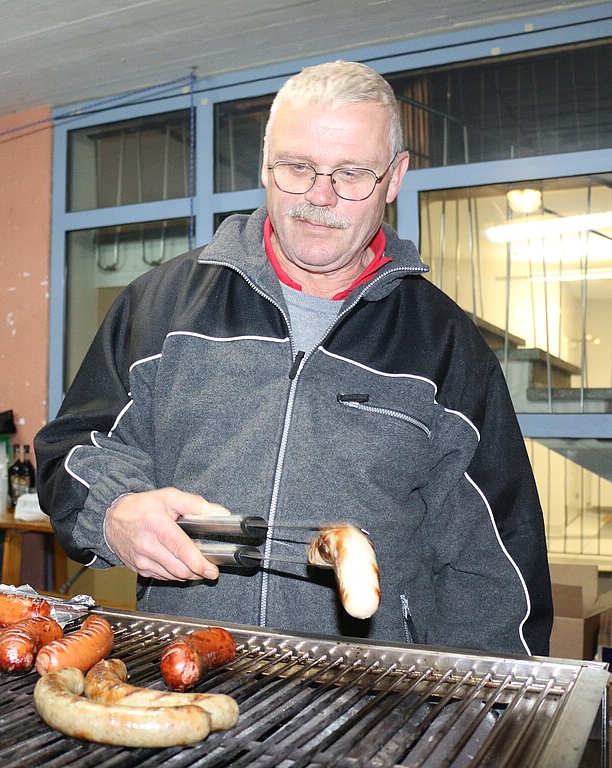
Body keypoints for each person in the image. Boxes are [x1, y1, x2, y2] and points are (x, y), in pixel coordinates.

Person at [35, 60, 553, 656]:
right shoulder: (162, 307)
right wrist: (114, 511)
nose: (319, 197)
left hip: (369, 703)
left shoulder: (444, 344)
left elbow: (498, 565)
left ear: (394, 178)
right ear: (265, 164)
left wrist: (482, 717)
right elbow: (73, 450)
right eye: (297, 167)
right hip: (178, 678)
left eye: (351, 173)